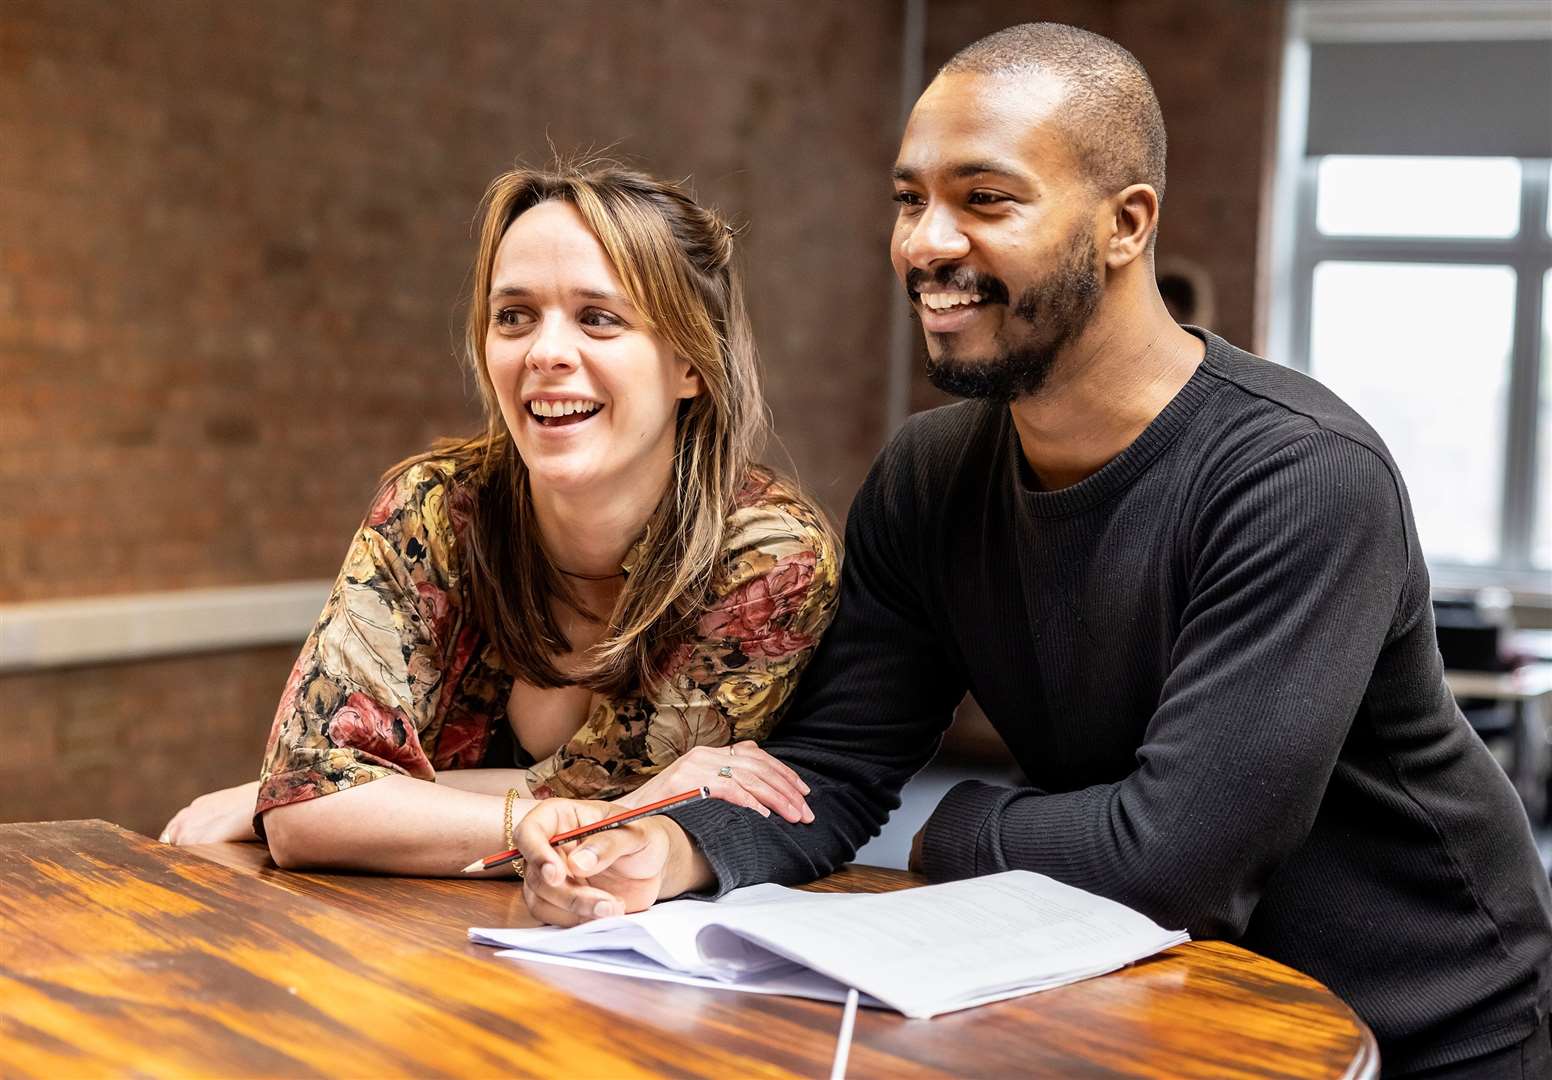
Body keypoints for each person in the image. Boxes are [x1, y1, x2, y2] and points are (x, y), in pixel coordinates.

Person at [509, 25, 1552, 1078]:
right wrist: (669, 851)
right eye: (909, 199)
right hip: (1160, 1003)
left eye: (985, 199)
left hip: (1427, 1023)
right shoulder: (926, 478)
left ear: (1124, 225)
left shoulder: (1299, 480)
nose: (924, 242)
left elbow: (1173, 864)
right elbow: (835, 765)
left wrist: (954, 825)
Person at [160, 161, 838, 880]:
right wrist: (600, 809)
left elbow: (318, 800)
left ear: (691, 364)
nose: (544, 352)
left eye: (598, 318)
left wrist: (358, 802)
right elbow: (306, 813)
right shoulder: (434, 507)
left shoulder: (767, 561)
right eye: (514, 316)